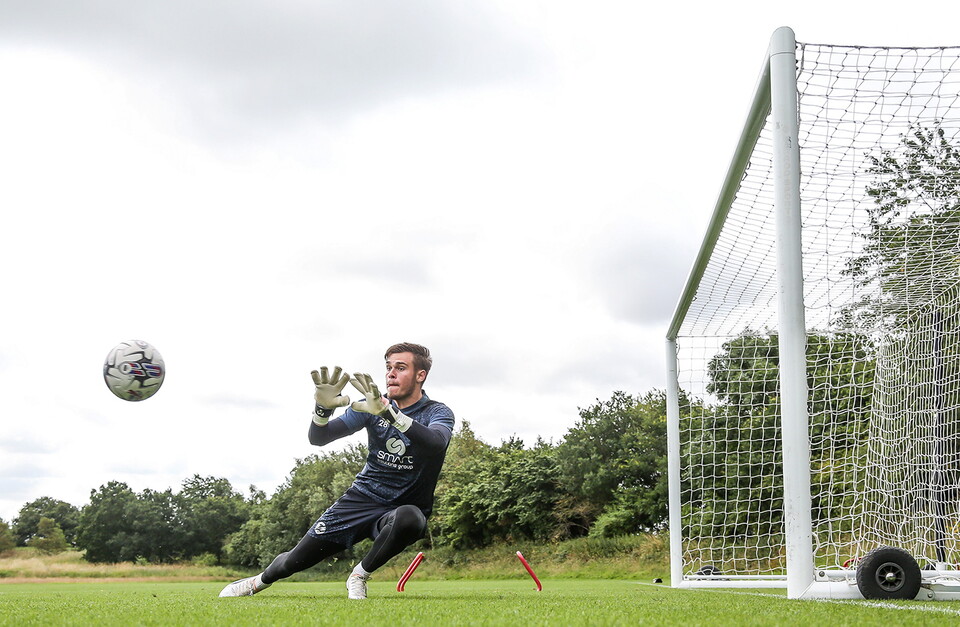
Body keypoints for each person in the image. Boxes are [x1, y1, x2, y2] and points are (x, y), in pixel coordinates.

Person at [219, 342, 455, 600]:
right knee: (292, 562)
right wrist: (322, 410)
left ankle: (359, 575)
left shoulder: (437, 412)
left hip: (401, 510)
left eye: (401, 367)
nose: (391, 374)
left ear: (420, 375)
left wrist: (390, 414)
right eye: (388, 367)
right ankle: (257, 582)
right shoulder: (371, 406)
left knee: (412, 518)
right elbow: (319, 438)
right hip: (361, 499)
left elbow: (435, 444)